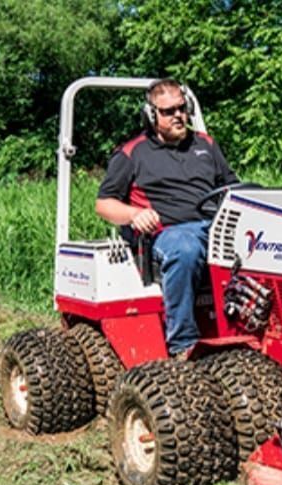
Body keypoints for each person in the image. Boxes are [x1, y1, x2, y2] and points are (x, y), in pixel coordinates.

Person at [96, 78, 239, 357]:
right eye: (168, 111)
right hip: (165, 234)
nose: (177, 116)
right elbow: (104, 204)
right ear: (151, 115)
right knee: (185, 248)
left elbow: (233, 187)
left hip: (215, 227)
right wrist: (134, 214)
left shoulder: (206, 145)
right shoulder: (132, 153)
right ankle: (183, 344)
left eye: (181, 109)